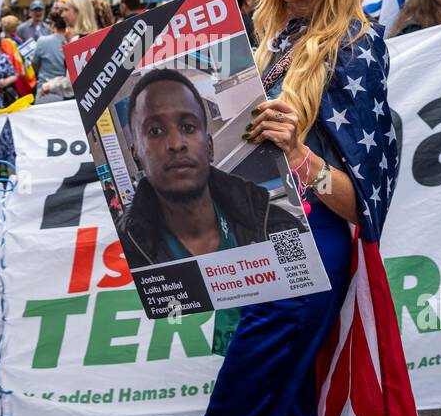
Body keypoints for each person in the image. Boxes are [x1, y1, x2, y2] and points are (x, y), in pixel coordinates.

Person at [180, 0, 424, 416]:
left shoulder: (355, 44)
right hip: (254, 234)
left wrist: (301, 156)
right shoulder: (268, 23)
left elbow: (365, 200)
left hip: (312, 246)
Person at [118, 68, 305, 268]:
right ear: (135, 153)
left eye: (188, 127)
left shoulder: (278, 227)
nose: (176, 144)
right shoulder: (123, 251)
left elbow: (310, 292)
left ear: (210, 147)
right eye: (155, 130)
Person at [32, 11, 72, 103]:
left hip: (45, 91)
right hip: (67, 92)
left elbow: (34, 64)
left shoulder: (42, 41)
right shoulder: (73, 42)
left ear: (53, 24)